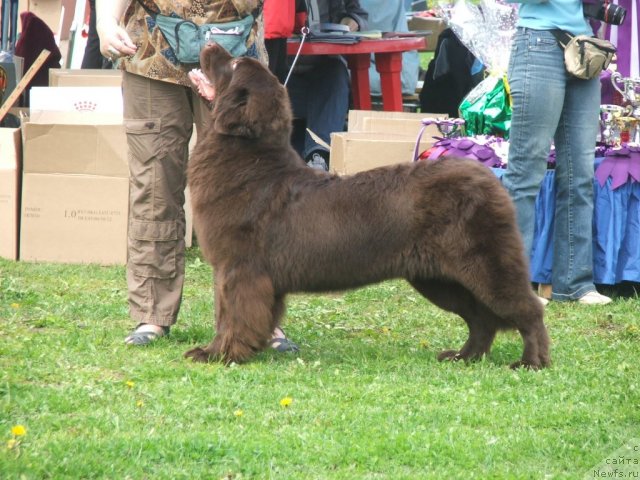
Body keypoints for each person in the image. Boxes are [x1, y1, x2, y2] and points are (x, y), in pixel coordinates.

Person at [95, 0, 300, 350]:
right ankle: (152, 313)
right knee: (154, 187)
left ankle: (259, 317)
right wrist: (104, 20)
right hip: (150, 53)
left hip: (236, 58)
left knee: (253, 194)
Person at [501, 0, 612, 305]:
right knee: (525, 172)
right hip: (537, 43)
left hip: (585, 46)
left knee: (580, 174)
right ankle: (512, 287)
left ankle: (575, 284)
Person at [286, 0, 368, 170]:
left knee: (335, 73)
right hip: (281, 77)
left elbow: (357, 13)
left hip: (321, 75)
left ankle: (319, 156)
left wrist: (350, 22)